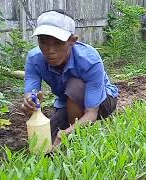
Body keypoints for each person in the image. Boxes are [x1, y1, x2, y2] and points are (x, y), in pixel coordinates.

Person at [20, 9, 119, 148]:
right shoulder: (34, 58)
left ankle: (78, 142)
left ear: (72, 41)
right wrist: (30, 103)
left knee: (75, 85)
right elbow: (31, 93)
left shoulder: (90, 60)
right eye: (43, 41)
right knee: (48, 140)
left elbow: (91, 112)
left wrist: (68, 132)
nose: (50, 50)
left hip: (103, 100)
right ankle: (73, 130)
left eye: (58, 42)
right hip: (65, 101)